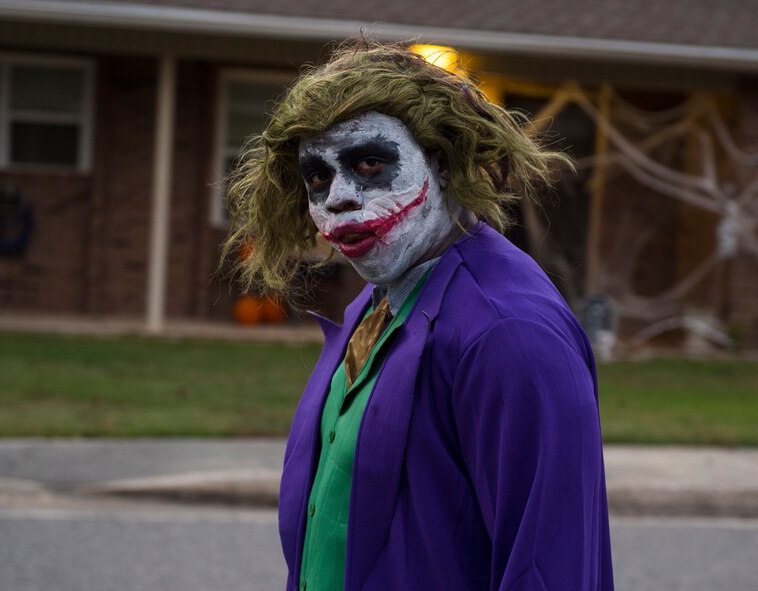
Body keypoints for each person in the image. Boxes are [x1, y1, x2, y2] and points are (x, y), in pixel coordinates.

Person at [224, 41, 614, 591]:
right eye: (317, 176)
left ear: (444, 163)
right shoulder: (377, 298)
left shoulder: (511, 335)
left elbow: (551, 570)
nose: (337, 198)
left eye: (369, 163)